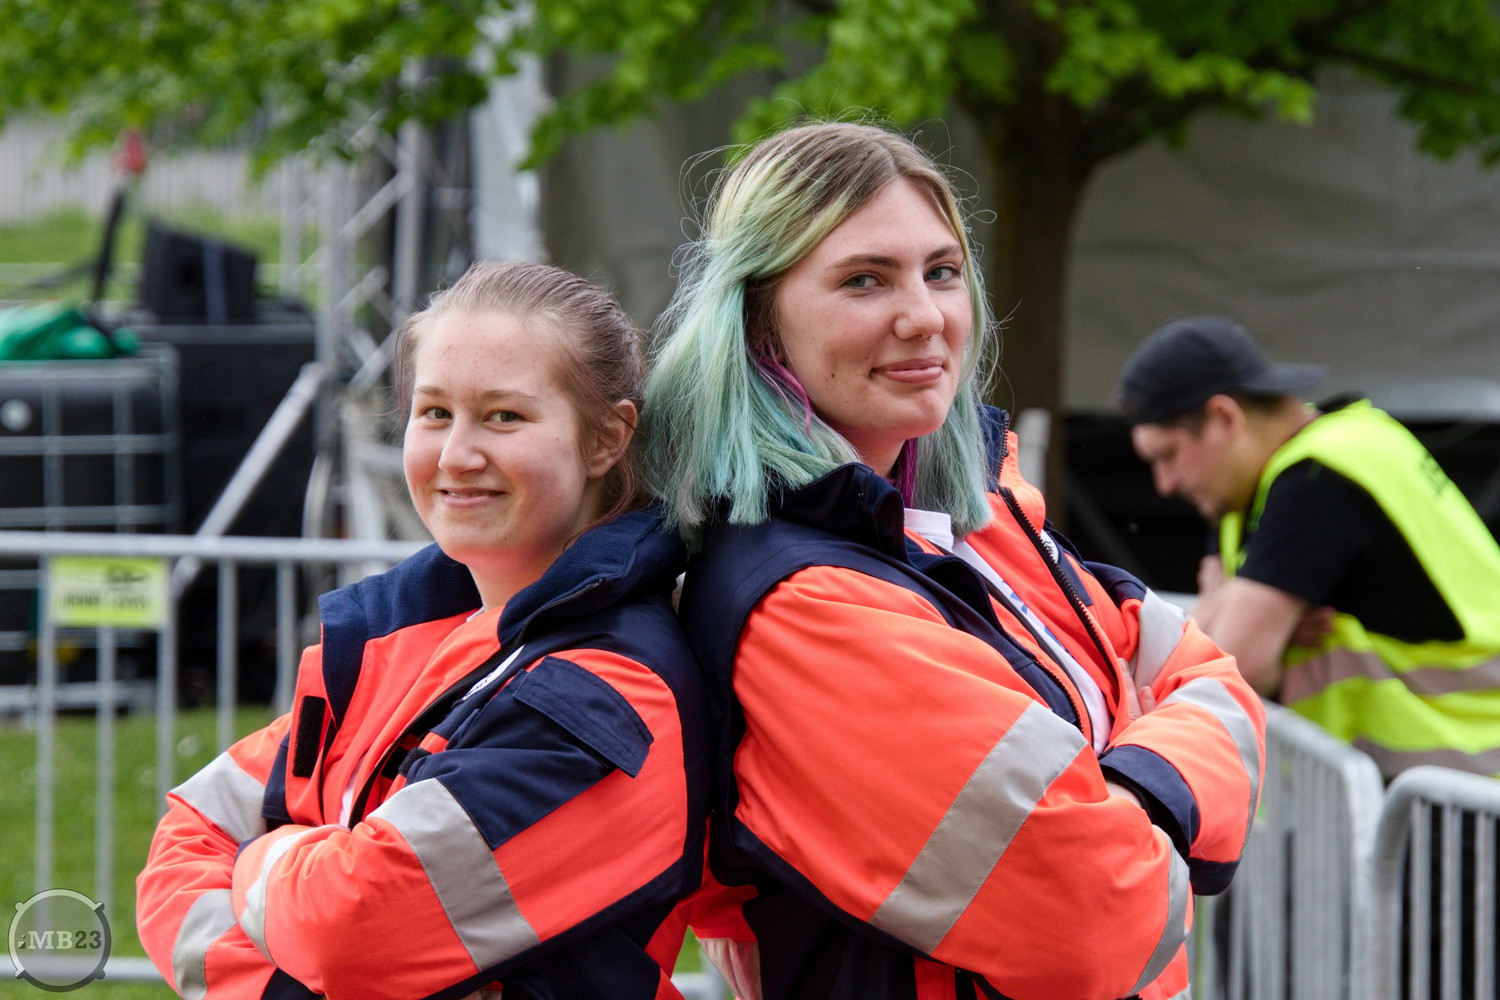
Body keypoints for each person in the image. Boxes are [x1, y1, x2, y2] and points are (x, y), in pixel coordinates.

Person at [642, 120, 1265, 1000]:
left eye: (941, 271)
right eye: (864, 280)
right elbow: (1094, 911)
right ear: (758, 322)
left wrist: (1110, 801)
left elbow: (1214, 681)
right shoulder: (800, 604)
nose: (925, 317)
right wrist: (1149, 792)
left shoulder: (974, 512)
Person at [136, 261, 710, 1000]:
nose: (457, 456)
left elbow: (347, 928)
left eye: (504, 417)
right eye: (435, 412)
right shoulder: (398, 638)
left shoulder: (610, 693)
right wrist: (306, 913)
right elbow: (186, 840)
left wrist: (264, 857)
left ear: (606, 439)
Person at [1121, 314, 1500, 778]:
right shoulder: (1260, 482)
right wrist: (1238, 620)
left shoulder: (1315, 481)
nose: (1164, 484)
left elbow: (1227, 668)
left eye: (1168, 454)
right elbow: (1216, 642)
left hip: (1470, 788)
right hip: (1441, 786)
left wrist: (1235, 620)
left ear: (1224, 418)